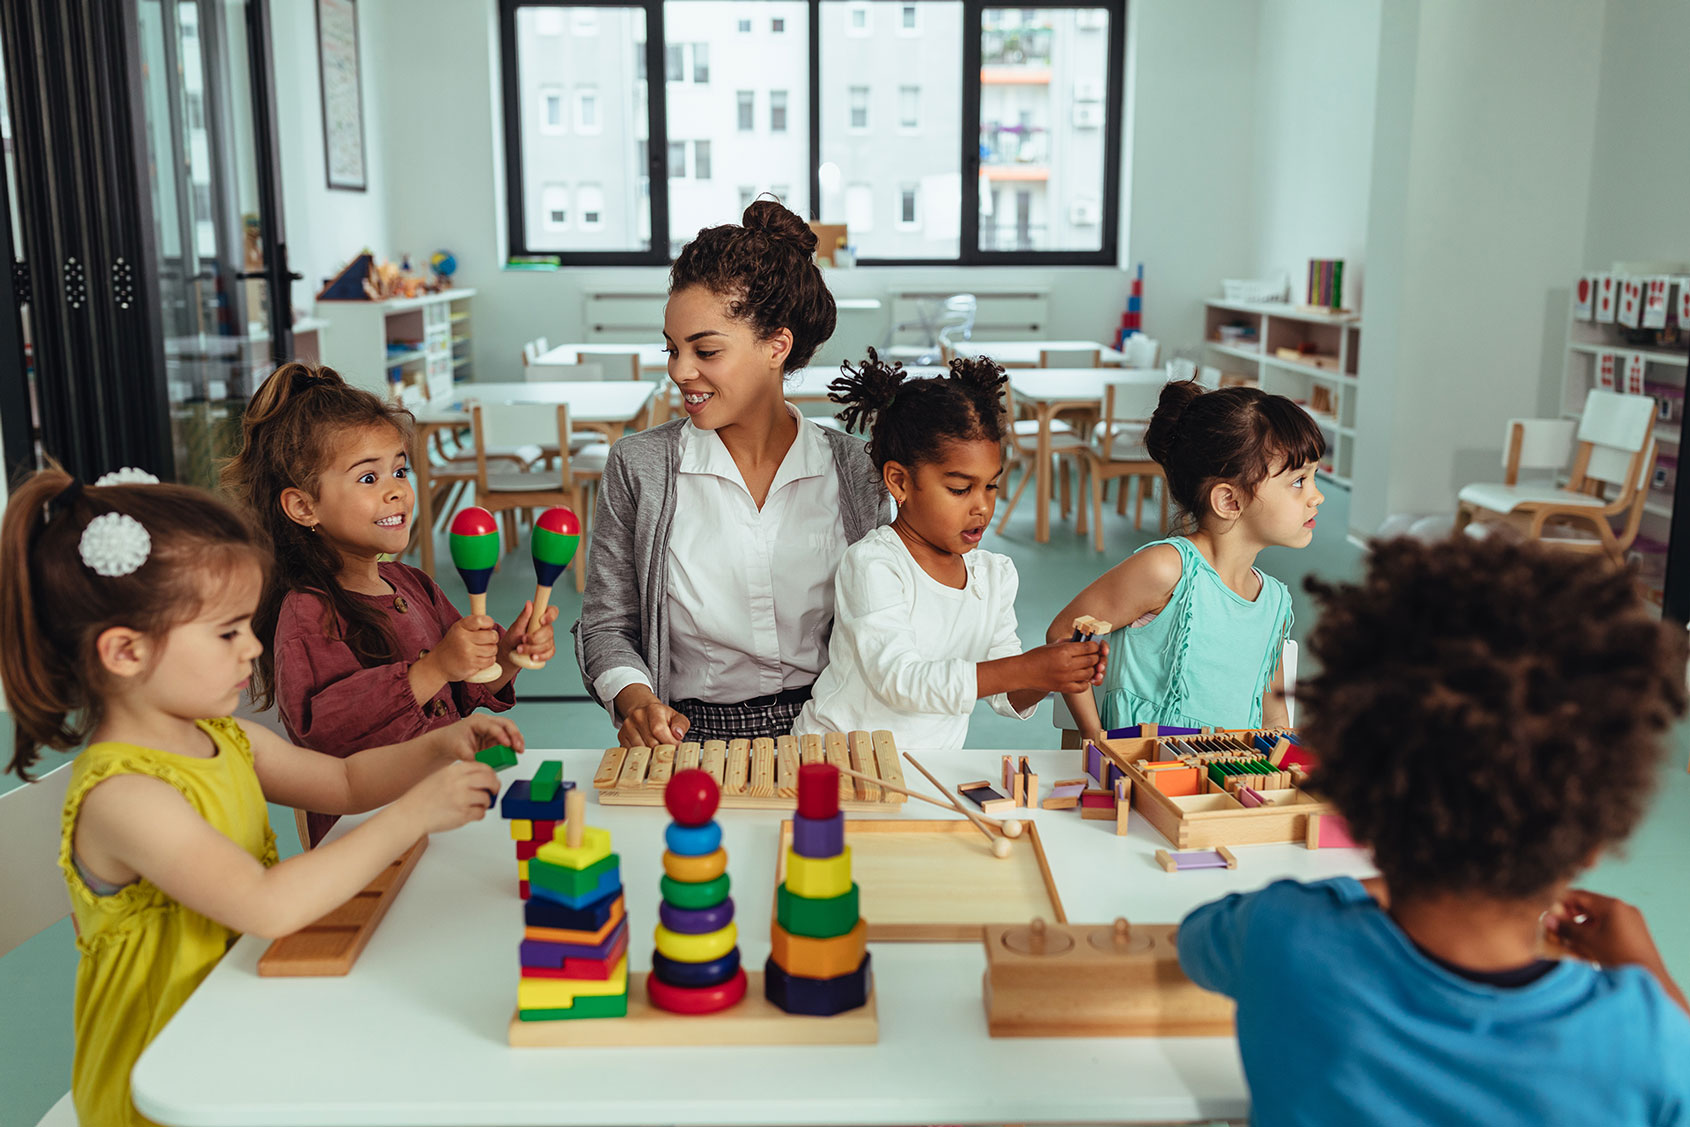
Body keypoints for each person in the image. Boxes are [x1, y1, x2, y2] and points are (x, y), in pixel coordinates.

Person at [0, 467, 513, 1126]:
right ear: (126, 652)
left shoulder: (227, 738)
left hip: (247, 1024)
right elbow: (267, 904)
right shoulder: (125, 796)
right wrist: (416, 813)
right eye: (227, 631)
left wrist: (440, 745)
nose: (252, 647)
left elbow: (346, 781)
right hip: (167, 1087)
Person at [1178, 536, 1690, 1126]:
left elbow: (1197, 943)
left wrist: (1352, 894)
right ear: (1594, 842)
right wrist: (1647, 973)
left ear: (1360, 804)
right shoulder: (1645, 1042)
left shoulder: (1285, 932)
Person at [575, 199, 888, 746]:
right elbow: (607, 626)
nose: (680, 371)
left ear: (777, 346)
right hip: (687, 736)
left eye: (706, 350)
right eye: (672, 349)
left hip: (832, 728)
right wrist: (636, 700)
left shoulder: (859, 472)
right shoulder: (640, 467)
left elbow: (895, 622)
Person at [222, 363, 554, 844]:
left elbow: (465, 690)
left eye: (399, 470)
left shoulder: (412, 584)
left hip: (441, 815)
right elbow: (326, 732)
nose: (397, 489)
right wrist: (435, 666)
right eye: (367, 478)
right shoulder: (307, 611)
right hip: (368, 837)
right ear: (304, 507)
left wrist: (505, 655)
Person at [793, 353, 1105, 748]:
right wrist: (1026, 667)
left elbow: (1005, 693)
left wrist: (1050, 673)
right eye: (960, 489)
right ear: (899, 482)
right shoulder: (874, 564)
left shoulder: (993, 576)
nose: (982, 507)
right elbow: (899, 681)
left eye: (991, 486)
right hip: (836, 757)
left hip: (926, 767)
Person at [1049, 380, 1323, 740]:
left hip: (1223, 774)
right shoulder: (1167, 569)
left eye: (1314, 478)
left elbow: (1273, 718)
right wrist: (1095, 737)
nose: (1316, 496)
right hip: (1141, 770)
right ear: (1229, 501)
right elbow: (1063, 633)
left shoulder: (1274, 603)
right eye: (1299, 481)